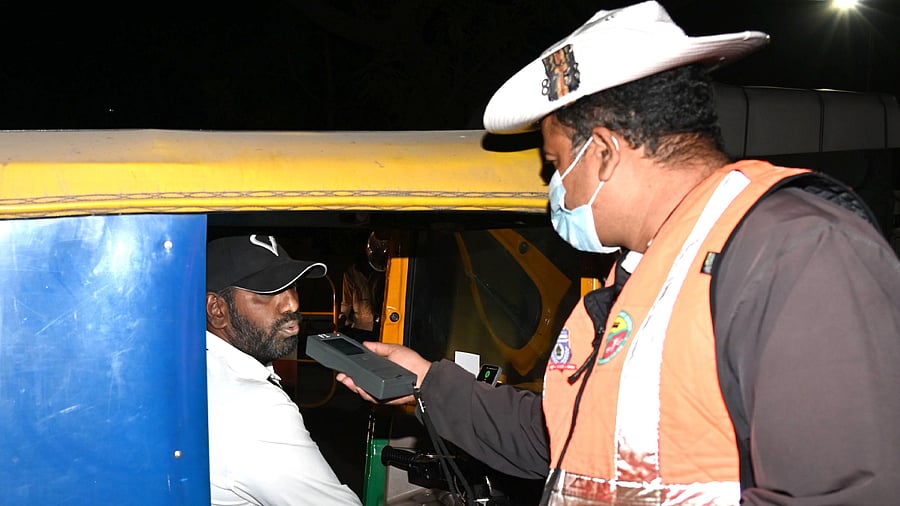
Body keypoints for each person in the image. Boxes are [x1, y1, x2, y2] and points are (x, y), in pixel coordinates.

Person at [338, 2, 900, 504]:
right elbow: (563, 442)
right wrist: (424, 383)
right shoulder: (640, 276)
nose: (553, 186)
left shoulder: (794, 249)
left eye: (555, 164)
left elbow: (845, 488)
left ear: (603, 153)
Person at [206, 234, 362, 506]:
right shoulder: (257, 411)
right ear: (217, 309)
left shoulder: (191, 367)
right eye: (269, 291)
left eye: (293, 286)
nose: (292, 304)